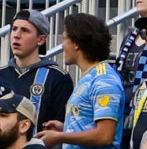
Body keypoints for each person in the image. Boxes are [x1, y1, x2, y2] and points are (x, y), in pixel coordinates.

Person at [45, 12, 127, 149]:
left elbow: (105, 136)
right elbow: (92, 125)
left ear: (76, 43)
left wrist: (60, 137)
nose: (62, 46)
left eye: (65, 39)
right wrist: (67, 128)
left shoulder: (104, 80)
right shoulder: (91, 76)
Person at [0, 13, 74, 129]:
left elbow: (60, 126)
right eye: (14, 29)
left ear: (41, 40)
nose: (16, 35)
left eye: (25, 30)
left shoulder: (58, 77)